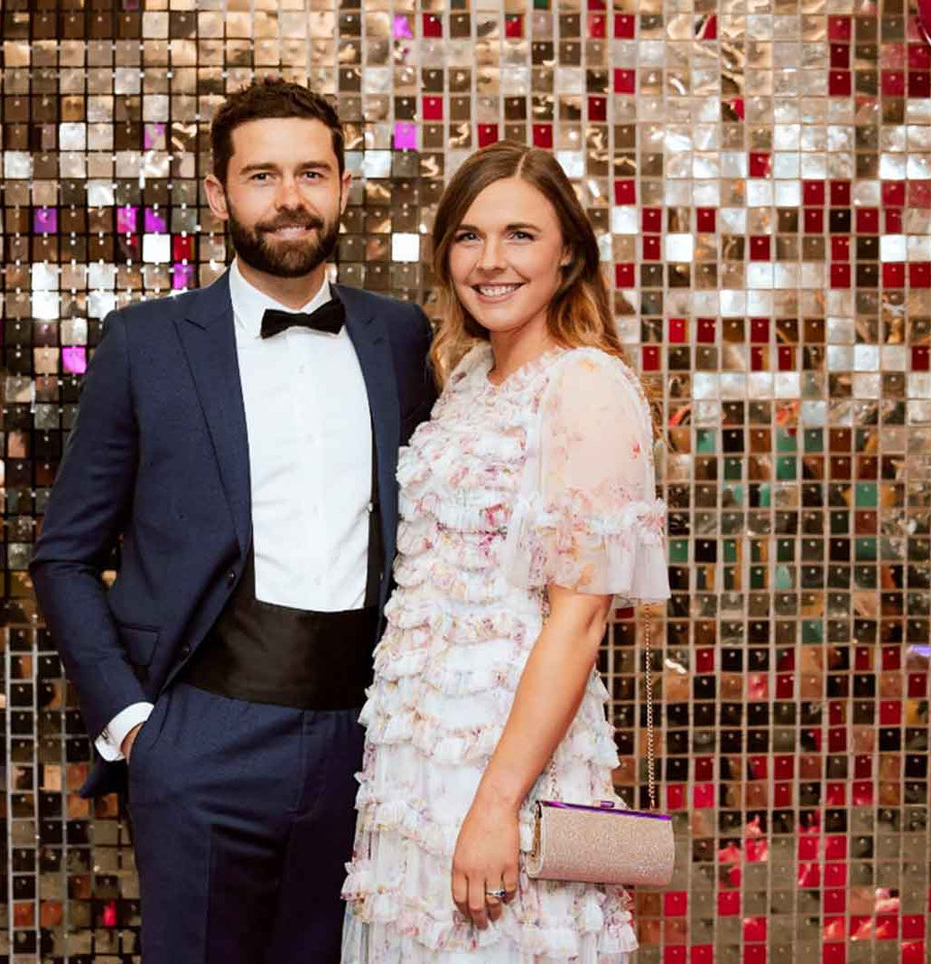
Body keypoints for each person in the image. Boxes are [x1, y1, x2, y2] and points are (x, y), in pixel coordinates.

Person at [29, 79, 436, 964]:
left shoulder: (402, 337)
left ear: (343, 186)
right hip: (199, 738)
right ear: (217, 195)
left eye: (311, 174)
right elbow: (63, 555)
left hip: (366, 743)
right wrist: (133, 723)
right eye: (261, 176)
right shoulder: (145, 343)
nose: (289, 198)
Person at [340, 141, 672, 962]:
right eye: (468, 236)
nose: (490, 261)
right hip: (418, 759)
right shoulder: (465, 379)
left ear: (568, 256)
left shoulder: (584, 385)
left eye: (520, 235)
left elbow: (580, 619)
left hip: (510, 764)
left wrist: (496, 804)